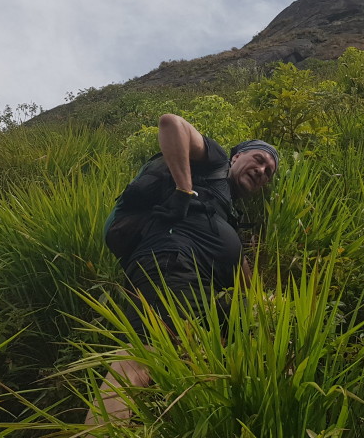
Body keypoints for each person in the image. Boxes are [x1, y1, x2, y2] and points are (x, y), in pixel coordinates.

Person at [85, 113, 279, 427]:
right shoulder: (214, 162)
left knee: (182, 363)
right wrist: (183, 191)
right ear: (237, 156)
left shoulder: (224, 206)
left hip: (196, 281)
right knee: (145, 355)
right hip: (172, 262)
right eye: (258, 160)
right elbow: (171, 124)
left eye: (268, 172)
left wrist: (260, 303)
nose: (261, 170)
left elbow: (238, 266)